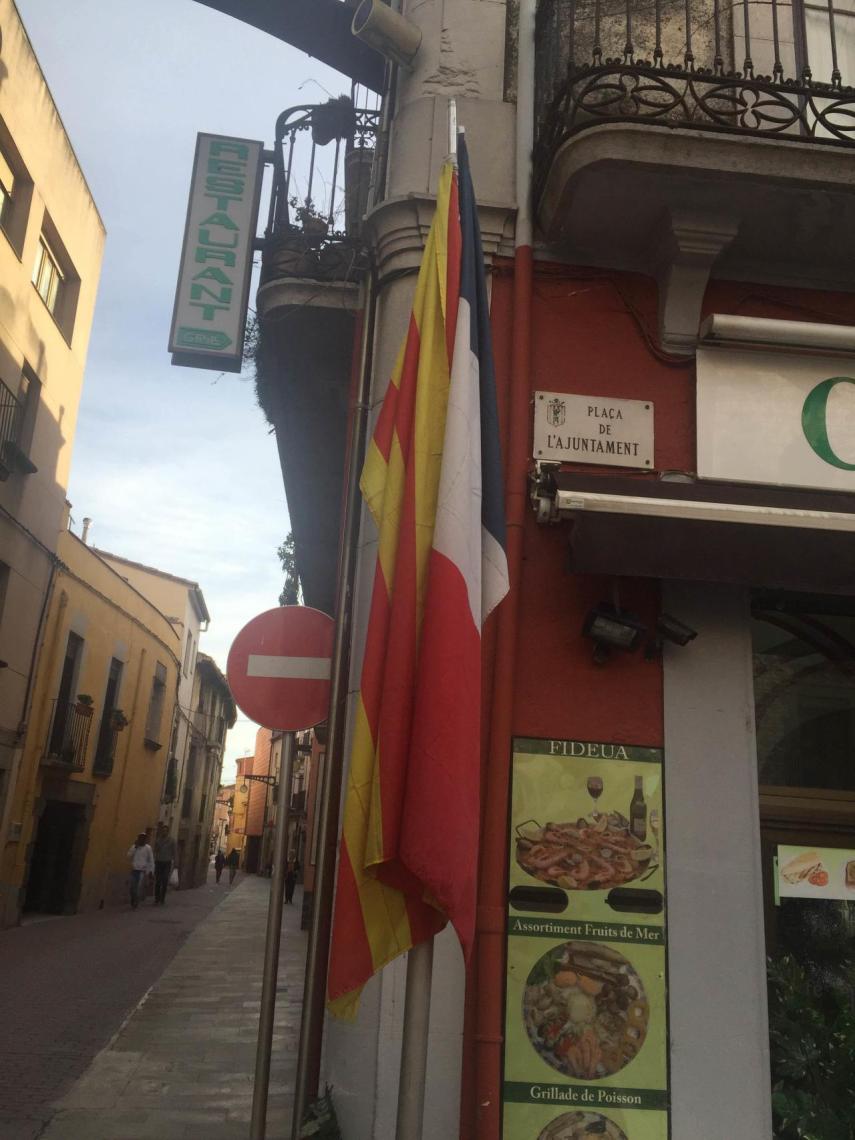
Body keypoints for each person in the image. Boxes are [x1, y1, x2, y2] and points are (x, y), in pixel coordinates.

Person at [127, 832, 154, 909]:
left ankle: (136, 902)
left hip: (142, 870)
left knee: (138, 887)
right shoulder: (134, 847)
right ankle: (133, 899)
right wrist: (135, 847)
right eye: (140, 838)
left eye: (143, 838)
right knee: (132, 887)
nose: (142, 839)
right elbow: (128, 855)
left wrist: (151, 871)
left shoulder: (148, 848)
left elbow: (151, 860)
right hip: (134, 870)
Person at [153, 823, 176, 906]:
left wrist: (174, 862)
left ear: (168, 832)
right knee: (158, 881)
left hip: (167, 862)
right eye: (163, 830)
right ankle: (157, 898)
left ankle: (162, 898)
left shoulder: (172, 841)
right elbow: (155, 850)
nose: (164, 832)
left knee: (165, 880)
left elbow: (174, 852)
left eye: (166, 831)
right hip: (159, 862)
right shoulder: (158, 840)